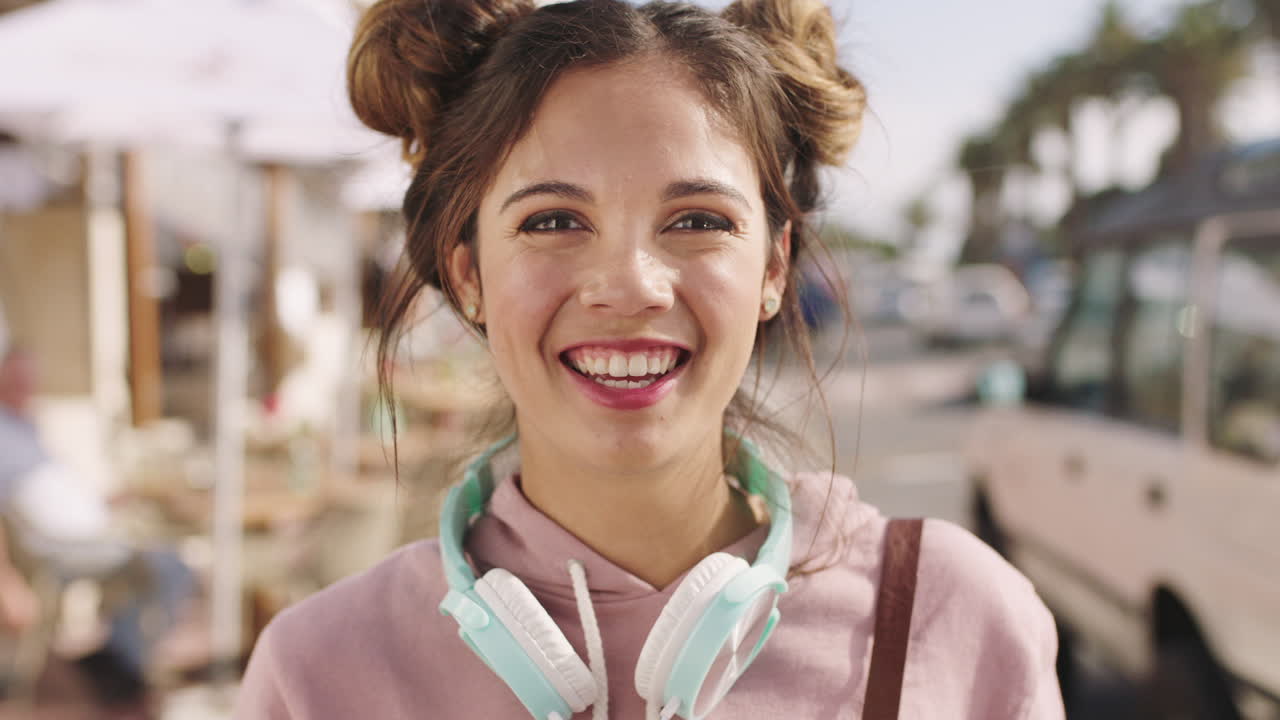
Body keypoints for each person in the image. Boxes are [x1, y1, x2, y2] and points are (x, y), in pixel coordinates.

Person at [236, 0, 1065, 717]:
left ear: (774, 269)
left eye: (698, 220)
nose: (629, 287)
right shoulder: (317, 676)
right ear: (468, 274)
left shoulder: (949, 618)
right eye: (553, 221)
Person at [0, 347, 194, 712]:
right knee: (168, 564)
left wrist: (118, 498)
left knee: (162, 557)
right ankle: (122, 666)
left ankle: (116, 659)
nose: (27, 386)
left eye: (30, 378)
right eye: (17, 378)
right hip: (64, 546)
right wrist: (6, 581)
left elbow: (58, 496)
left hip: (95, 532)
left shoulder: (26, 427)